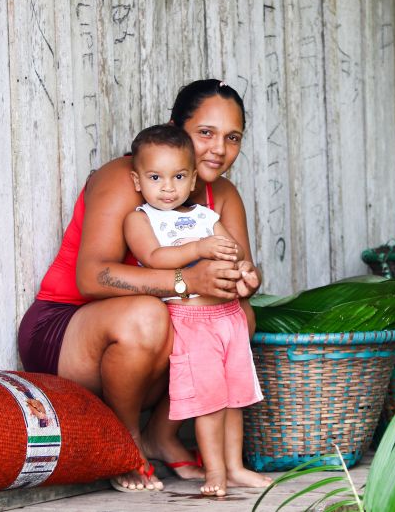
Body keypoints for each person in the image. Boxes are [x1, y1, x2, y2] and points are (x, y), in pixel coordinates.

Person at [18, 79, 259, 492]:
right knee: (148, 315)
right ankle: (125, 442)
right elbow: (91, 277)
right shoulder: (126, 177)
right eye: (205, 133)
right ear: (174, 127)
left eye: (231, 137)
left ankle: (162, 435)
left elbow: (243, 269)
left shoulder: (223, 195)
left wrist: (244, 280)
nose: (219, 148)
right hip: (67, 329)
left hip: (154, 335)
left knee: (238, 316)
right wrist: (188, 280)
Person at [123, 123, 271, 496]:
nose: (168, 187)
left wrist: (245, 275)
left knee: (236, 398)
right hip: (190, 321)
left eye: (178, 177)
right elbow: (154, 258)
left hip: (229, 319)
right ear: (137, 180)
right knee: (209, 401)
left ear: (192, 182)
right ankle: (215, 473)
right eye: (156, 177)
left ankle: (235, 467)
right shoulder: (141, 219)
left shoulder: (206, 217)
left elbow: (234, 253)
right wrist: (198, 250)